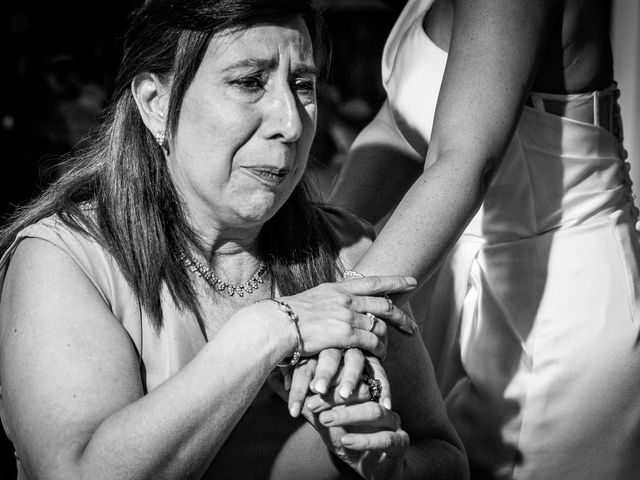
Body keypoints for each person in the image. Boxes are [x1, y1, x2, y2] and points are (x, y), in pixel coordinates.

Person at [0, 1, 471, 479]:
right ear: (155, 104)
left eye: (302, 84)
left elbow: (448, 459)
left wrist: (388, 466)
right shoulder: (63, 260)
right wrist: (269, 330)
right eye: (249, 82)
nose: (290, 124)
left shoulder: (349, 253)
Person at [330, 0, 640, 478]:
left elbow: (464, 161)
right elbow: (400, 128)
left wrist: (337, 316)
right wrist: (317, 249)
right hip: (454, 281)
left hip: (553, 305)